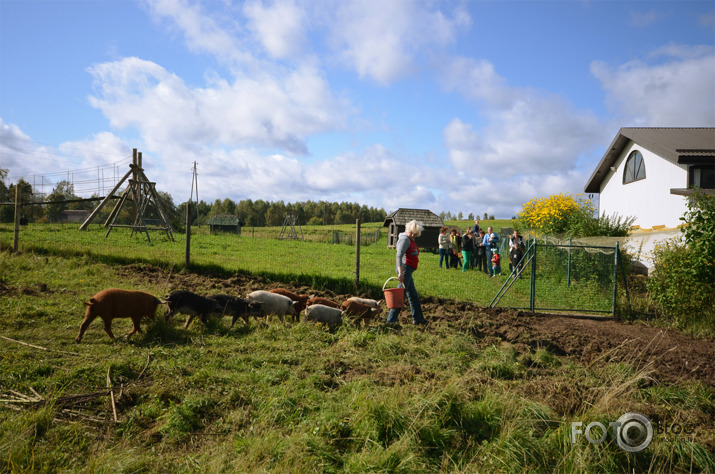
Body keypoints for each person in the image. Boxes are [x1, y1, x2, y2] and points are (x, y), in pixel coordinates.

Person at [386, 220, 428, 325]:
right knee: (400, 296)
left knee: (412, 295)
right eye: (412, 232)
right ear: (407, 230)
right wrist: (400, 273)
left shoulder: (410, 239)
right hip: (404, 270)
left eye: (416, 233)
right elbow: (398, 256)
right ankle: (390, 321)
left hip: (408, 270)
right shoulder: (404, 239)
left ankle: (418, 319)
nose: (413, 235)